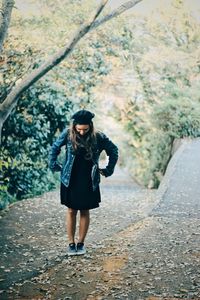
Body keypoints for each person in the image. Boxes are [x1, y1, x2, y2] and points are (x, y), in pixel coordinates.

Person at [49, 109, 118, 256]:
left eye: (85, 129)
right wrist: (53, 165)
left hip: (88, 179)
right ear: (74, 126)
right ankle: (70, 244)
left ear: (90, 126)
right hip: (70, 178)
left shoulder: (98, 136)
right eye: (79, 129)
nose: (81, 132)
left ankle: (81, 244)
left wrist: (108, 170)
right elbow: (55, 148)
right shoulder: (68, 134)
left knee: (84, 210)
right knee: (71, 210)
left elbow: (113, 150)